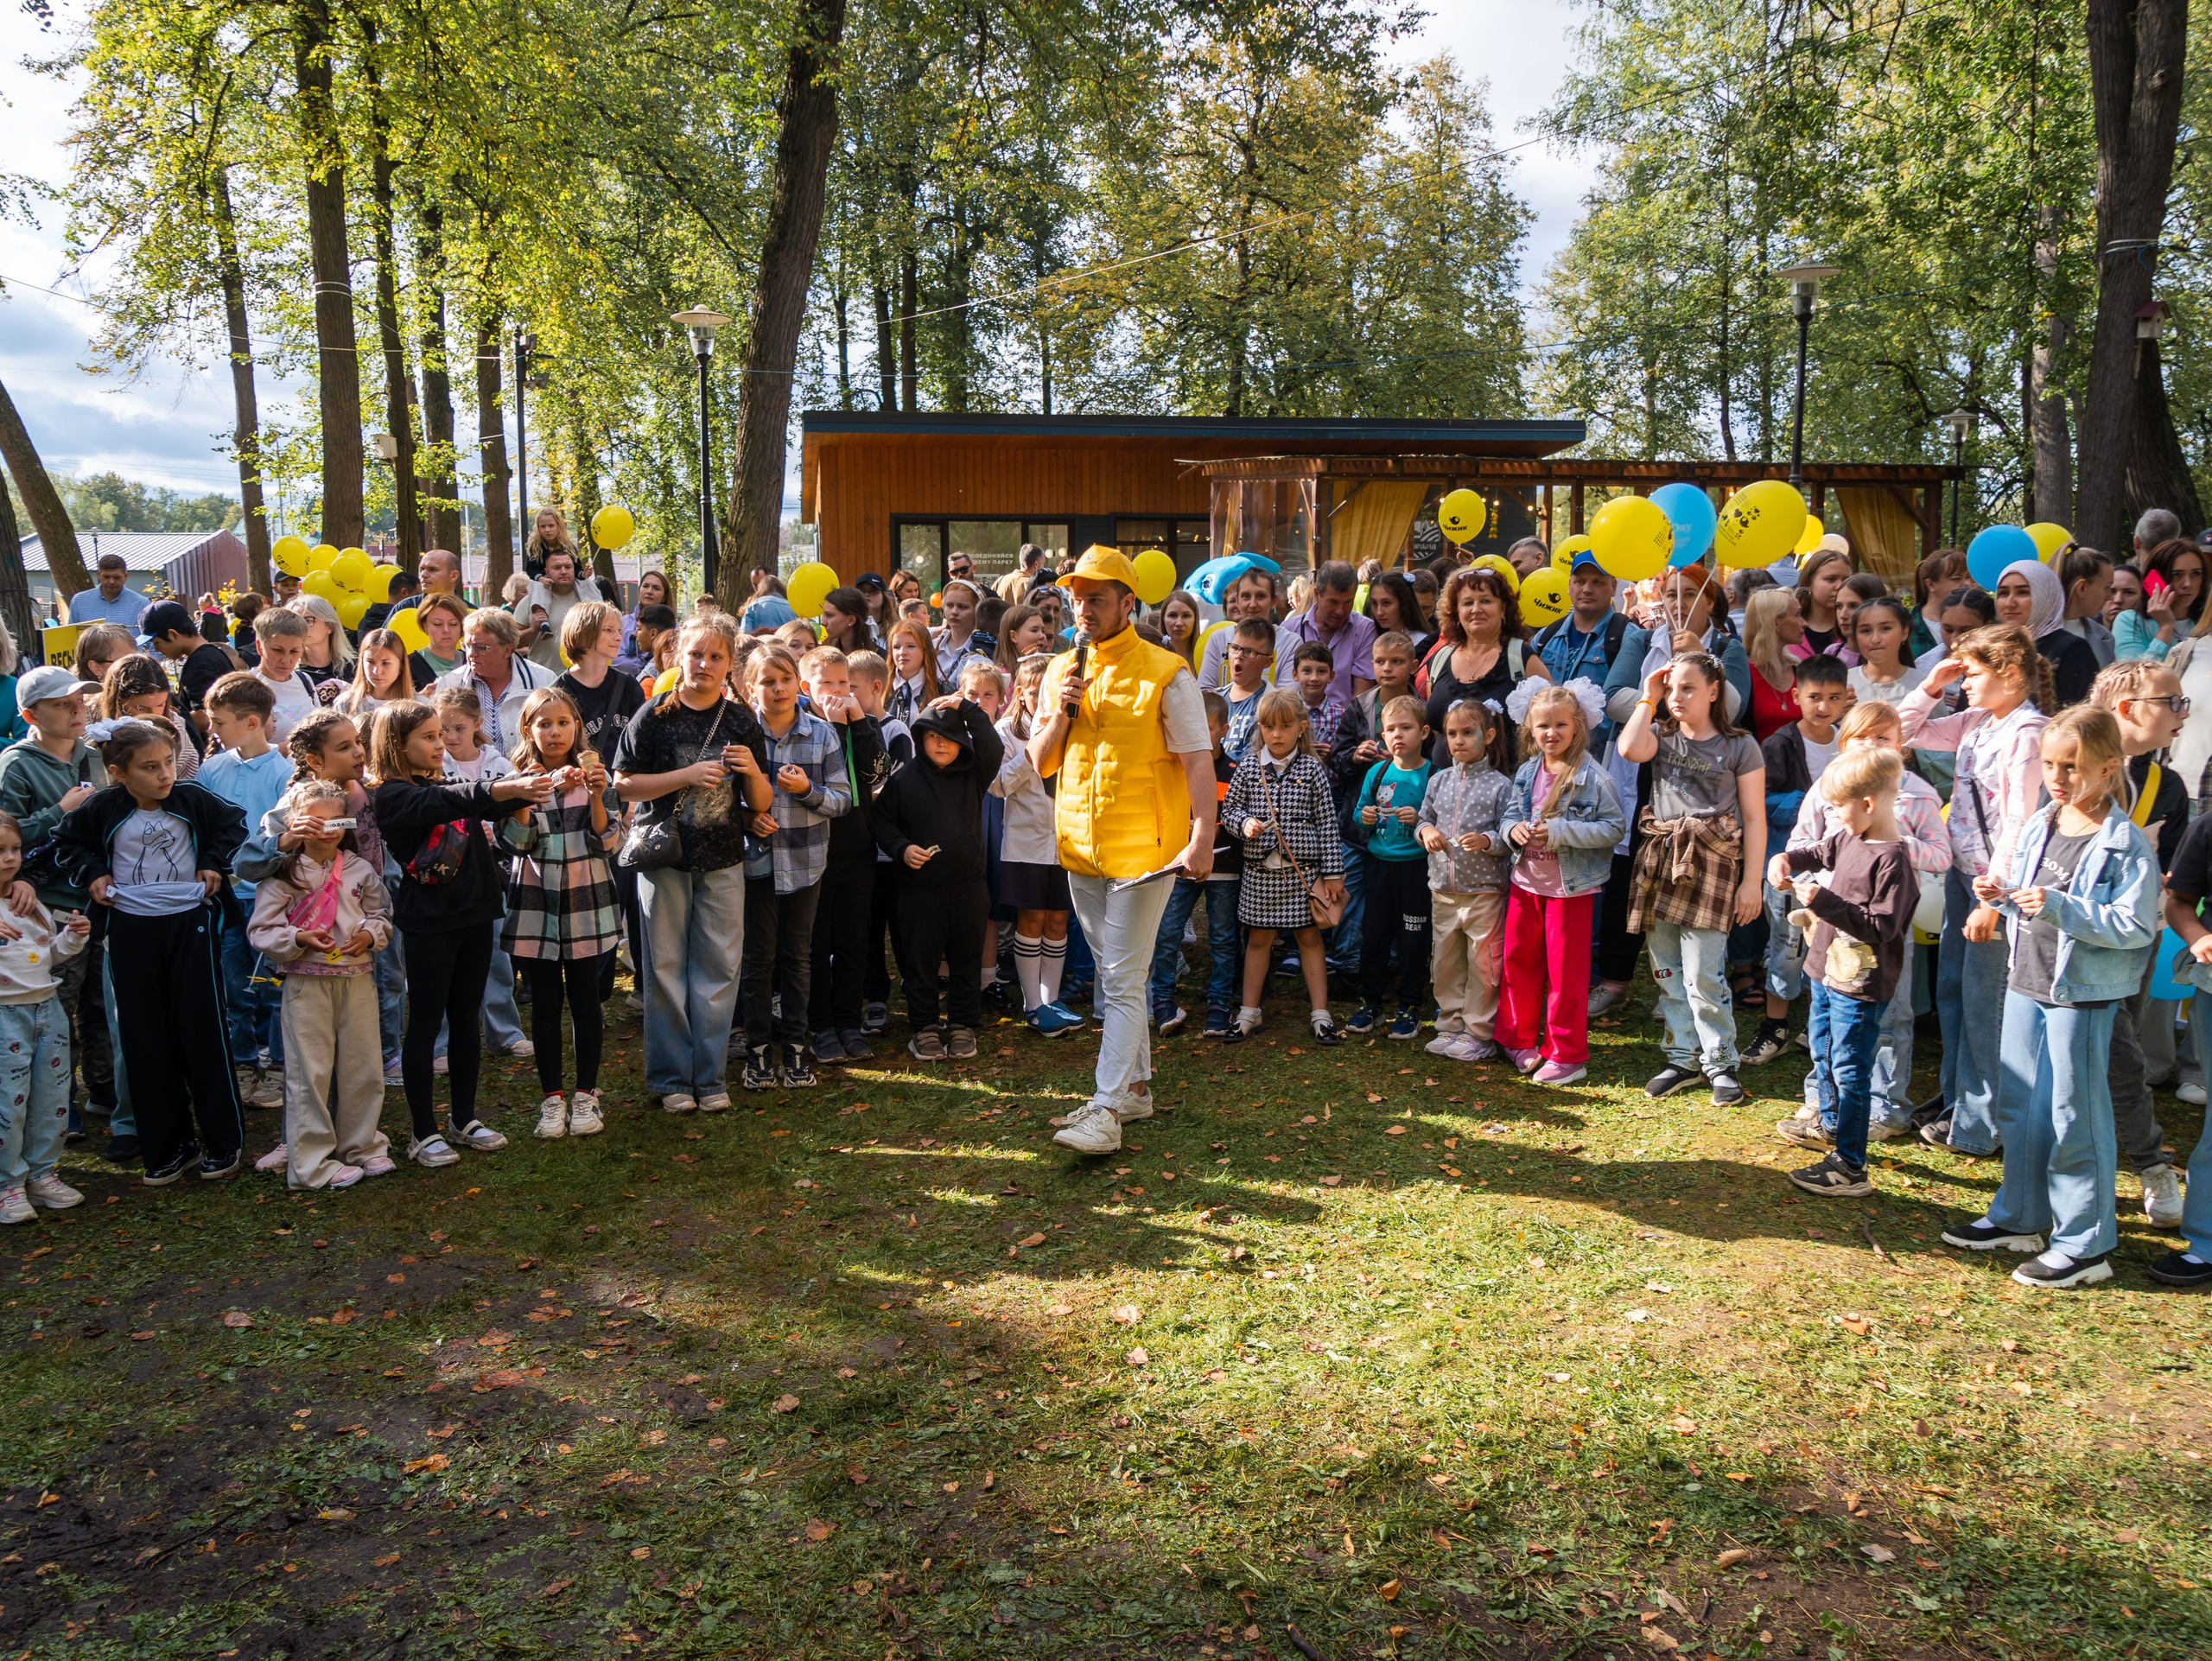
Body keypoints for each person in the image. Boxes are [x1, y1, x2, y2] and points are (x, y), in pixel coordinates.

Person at [1943, 705, 2158, 1289]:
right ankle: (2021, 1216)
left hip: (2079, 998)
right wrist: (2003, 895)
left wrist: (2062, 907)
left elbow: (2135, 927)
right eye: (2050, 765)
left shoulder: (2126, 845)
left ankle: (2086, 1244)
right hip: (2026, 981)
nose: (2059, 778)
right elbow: (2033, 899)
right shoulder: (2043, 822)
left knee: (2073, 1117)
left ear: (2109, 768)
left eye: (2073, 767)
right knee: (2021, 1106)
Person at [1031, 548, 1217, 1155]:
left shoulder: (1167, 671)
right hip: (1082, 846)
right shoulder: (1062, 670)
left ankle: (1106, 1107)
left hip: (1147, 852)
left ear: (1128, 603)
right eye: (1078, 597)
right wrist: (1063, 712)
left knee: (1123, 978)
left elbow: (1197, 761)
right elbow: (1042, 762)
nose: (1084, 608)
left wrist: (1202, 836)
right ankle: (1135, 1089)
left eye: (1098, 597)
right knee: (1117, 975)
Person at [51, 718, 246, 1186]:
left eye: (168, 765)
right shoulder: (100, 807)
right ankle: (167, 1145)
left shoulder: (192, 799)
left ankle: (222, 1142)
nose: (164, 776)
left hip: (190, 923)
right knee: (144, 1038)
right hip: (130, 929)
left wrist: (210, 862)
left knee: (201, 1030)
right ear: (118, 773)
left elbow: (233, 824)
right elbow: (67, 845)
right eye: (150, 768)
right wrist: (94, 871)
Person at [366, 701, 551, 1165]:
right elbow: (456, 800)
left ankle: (464, 1119)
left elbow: (484, 800)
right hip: (430, 923)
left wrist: (538, 787)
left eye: (440, 734)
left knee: (466, 1020)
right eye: (428, 737)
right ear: (397, 744)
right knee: (428, 1024)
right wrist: (506, 786)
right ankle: (423, 1132)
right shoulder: (391, 795)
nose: (440, 743)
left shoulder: (443, 783)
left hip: (476, 913)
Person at [1898, 624, 2056, 1156]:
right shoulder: (1978, 723)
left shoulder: (2029, 731)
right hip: (1963, 878)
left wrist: (1994, 898)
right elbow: (1902, 732)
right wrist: (1932, 684)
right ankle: (1954, 1098)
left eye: (1972, 673)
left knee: (1986, 1002)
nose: (1963, 683)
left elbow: (2020, 818)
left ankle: (1981, 1122)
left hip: (1998, 886)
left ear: (2010, 673)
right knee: (1954, 993)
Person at [613, 619, 774, 1112]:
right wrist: (685, 774)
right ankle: (670, 1080)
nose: (704, 665)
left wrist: (751, 771)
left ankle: (710, 1077)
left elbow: (763, 802)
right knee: (664, 968)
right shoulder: (653, 715)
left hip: (723, 858)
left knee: (719, 968)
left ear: (730, 664)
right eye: (696, 654)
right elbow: (623, 783)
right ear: (677, 655)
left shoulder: (742, 720)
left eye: (716, 657)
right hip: (663, 858)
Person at [1774, 699, 1951, 1142]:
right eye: (1861, 737)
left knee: (1889, 1019)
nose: (1871, 746)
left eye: (1883, 737)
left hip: (1883, 925)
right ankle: (1822, 1103)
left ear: (1902, 746)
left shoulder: (1916, 795)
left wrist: (1891, 845)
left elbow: (1942, 855)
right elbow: (1807, 841)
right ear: (1842, 742)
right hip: (1829, 923)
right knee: (1824, 1016)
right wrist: (1794, 866)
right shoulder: (1827, 787)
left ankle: (1886, 1107)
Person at [1764, 746, 1917, 1198]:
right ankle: (1830, 1125)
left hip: (1860, 984)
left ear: (1868, 803)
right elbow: (1819, 850)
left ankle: (1851, 1165)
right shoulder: (1850, 838)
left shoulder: (1893, 861)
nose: (1833, 816)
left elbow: (1884, 928)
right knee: (1825, 1049)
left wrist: (1823, 902)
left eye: (1838, 807)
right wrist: (1787, 861)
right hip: (1826, 972)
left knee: (1851, 1068)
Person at [1617, 651, 1766, 1104]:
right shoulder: (1660, 735)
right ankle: (1681, 1058)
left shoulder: (1741, 745)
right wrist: (1648, 698)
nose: (1677, 697)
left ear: (1714, 691)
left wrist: (1751, 882)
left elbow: (1755, 820)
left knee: (1703, 973)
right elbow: (1628, 749)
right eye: (1673, 687)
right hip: (1661, 859)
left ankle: (1720, 1063)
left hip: (1712, 866)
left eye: (1689, 688)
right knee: (1666, 969)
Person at [245, 780, 394, 1188]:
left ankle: (363, 1146)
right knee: (309, 1073)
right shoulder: (283, 874)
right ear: (295, 825)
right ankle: (310, 1164)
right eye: (316, 822)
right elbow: (261, 930)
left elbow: (381, 916)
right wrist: (297, 939)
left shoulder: (360, 870)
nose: (328, 830)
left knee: (363, 1067)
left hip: (357, 979)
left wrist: (369, 935)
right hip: (305, 983)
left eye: (338, 820)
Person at [2088, 660, 2191, 1226]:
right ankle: (2151, 1164)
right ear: (2127, 710)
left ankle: (2110, 1158)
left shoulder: (2167, 786)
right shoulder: (2073, 768)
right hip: (2074, 942)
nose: (2183, 713)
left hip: (2137, 941)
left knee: (2115, 1053)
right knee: (2119, 1057)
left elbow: (2173, 867)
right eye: (2171, 702)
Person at [499, 688, 620, 1139]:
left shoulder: (596, 774)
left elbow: (607, 844)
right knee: (546, 1003)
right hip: (536, 904)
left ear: (577, 727)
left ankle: (586, 1095)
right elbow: (514, 844)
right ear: (528, 730)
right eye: (544, 724)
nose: (554, 732)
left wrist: (595, 797)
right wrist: (528, 798)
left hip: (587, 900)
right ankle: (552, 1099)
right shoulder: (518, 780)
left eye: (563, 723)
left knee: (586, 1000)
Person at [0, 665, 109, 1136]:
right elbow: (8, 834)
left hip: (96, 900)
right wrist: (58, 812)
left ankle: (105, 1090)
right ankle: (60, 1104)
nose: (76, 709)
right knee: (56, 1011)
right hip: (44, 905)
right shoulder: (16, 764)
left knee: (101, 1003)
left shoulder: (94, 757)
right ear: (30, 714)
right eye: (62, 704)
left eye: (80, 701)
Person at [738, 646, 850, 1088]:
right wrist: (748, 818)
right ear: (752, 689)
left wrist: (808, 790)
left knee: (798, 958)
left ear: (798, 684)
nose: (779, 688)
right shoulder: (743, 734)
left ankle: (797, 1050)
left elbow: (843, 800)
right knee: (758, 958)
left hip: (806, 863)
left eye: (785, 678)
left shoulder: (822, 735)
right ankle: (758, 1052)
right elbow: (723, 799)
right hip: (757, 864)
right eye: (768, 681)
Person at [872, 690, 1002, 1061]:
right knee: (920, 961)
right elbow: (882, 822)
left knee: (966, 959)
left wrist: (967, 708)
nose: (940, 744)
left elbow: (991, 744)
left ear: (962, 741)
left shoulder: (974, 774)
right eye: (931, 736)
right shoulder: (904, 779)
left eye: (948, 737)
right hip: (918, 892)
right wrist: (901, 848)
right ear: (920, 740)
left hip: (968, 888)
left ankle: (963, 1023)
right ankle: (925, 1027)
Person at [1745, 652, 1852, 1065]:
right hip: (1789, 864)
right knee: (1786, 945)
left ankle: (1815, 1025)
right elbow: (1760, 801)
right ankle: (1775, 1027)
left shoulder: (1848, 742)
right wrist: (1810, 802)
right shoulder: (1778, 744)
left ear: (1845, 699)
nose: (1823, 706)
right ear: (1796, 696)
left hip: (1839, 869)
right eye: (1814, 696)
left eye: (1833, 697)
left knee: (1828, 944)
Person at [1224, 686, 1344, 1047]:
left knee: (1310, 938)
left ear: (1301, 727)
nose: (1276, 735)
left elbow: (1327, 822)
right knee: (1257, 939)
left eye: (1285, 727)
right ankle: (1249, 1011)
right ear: (1260, 727)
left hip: (1302, 873)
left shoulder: (1313, 769)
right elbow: (1228, 810)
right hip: (1260, 873)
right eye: (1269, 727)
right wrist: (1243, 824)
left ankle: (1320, 1014)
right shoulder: (1249, 766)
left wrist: (1334, 873)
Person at [196, 673, 294, 1110]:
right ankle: (240, 1062)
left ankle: (276, 1067)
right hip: (225, 898)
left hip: (268, 896)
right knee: (232, 983)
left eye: (220, 721)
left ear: (252, 721)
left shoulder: (284, 773)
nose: (212, 728)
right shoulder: (212, 768)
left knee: (271, 984)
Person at [798, 646, 888, 1063]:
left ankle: (849, 1024)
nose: (837, 691)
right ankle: (820, 1026)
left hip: (857, 852)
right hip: (815, 852)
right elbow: (823, 777)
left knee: (855, 942)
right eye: (827, 683)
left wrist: (858, 723)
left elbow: (876, 773)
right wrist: (833, 727)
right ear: (807, 688)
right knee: (816, 945)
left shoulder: (862, 724)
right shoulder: (804, 729)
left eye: (844, 683)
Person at [0, 808, 89, 1219]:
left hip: (46, 1010)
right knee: (7, 1103)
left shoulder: (29, 901)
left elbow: (46, 955)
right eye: (0, 850)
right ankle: (7, 1185)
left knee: (51, 1097)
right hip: (6, 1016)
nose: (9, 858)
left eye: (15, 849)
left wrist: (70, 938)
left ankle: (41, 1174)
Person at [1414, 698, 1512, 1062]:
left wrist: (1488, 841)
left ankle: (1479, 1031)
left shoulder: (1501, 785)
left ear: (1487, 736)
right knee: (1445, 962)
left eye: (1467, 733)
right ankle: (1450, 1025)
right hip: (1442, 890)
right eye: (1452, 734)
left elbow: (1510, 835)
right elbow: (1423, 820)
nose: (1458, 741)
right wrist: (1426, 834)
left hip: (1484, 892)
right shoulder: (1439, 780)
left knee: (1484, 964)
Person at [992, 654, 1083, 1038]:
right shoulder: (1005, 732)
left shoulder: (1075, 726)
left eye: (1048, 692)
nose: (1040, 699)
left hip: (1066, 839)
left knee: (1059, 919)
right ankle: (1032, 1003)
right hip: (1026, 841)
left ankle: (1052, 998)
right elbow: (998, 786)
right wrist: (1034, 751)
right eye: (1034, 693)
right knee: (1031, 919)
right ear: (1021, 694)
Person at [1147, 688, 1243, 1041]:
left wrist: (1211, 829)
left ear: (1224, 729)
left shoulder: (1235, 771)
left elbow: (1239, 818)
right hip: (1180, 867)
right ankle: (1163, 1004)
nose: (1199, 732)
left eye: (1208, 726)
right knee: (1167, 933)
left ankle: (1219, 1006)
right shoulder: (1174, 767)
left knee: (1222, 937)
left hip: (1225, 869)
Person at [1342, 695, 1434, 1040]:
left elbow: (1441, 823)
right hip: (1378, 867)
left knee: (1413, 939)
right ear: (1382, 735)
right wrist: (1363, 817)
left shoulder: (1434, 775)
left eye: (1406, 728)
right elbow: (1359, 814)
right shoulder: (1376, 772)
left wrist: (1421, 820)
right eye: (1391, 729)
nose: (1398, 735)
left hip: (1416, 870)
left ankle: (1410, 1005)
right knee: (1374, 936)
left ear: (1423, 732)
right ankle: (1371, 1003)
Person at [1420, 565, 1550, 767]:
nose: (1476, 609)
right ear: (1456, 612)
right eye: (1467, 603)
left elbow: (1549, 726)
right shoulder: (1439, 660)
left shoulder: (1523, 661)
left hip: (1507, 790)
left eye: (1486, 601)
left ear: (1503, 609)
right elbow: (1437, 729)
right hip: (1444, 790)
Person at [442, 608, 557, 754]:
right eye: (468, 646)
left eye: (481, 647)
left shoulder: (543, 680)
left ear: (507, 650)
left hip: (530, 772)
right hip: (470, 775)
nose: (471, 654)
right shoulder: (451, 684)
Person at [1993, 558, 2095, 709]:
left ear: (2045, 596)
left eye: (2022, 592)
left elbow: (2079, 718)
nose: (2010, 603)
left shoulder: (2072, 650)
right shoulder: (1991, 646)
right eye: (2003, 593)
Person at [1275, 561, 1376, 703]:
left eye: (1348, 602)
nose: (1340, 611)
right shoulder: (1290, 630)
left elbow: (1362, 695)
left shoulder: (1364, 630)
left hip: (1347, 722)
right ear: (1317, 594)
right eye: (1333, 602)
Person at [1531, 553, 1626, 696]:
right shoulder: (1544, 637)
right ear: (1570, 586)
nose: (1587, 589)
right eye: (1580, 581)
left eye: (1597, 582)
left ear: (1613, 587)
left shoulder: (1627, 637)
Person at [140, 600, 237, 738]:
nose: (156, 649)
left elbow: (205, 717)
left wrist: (166, 734)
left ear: (173, 634)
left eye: (156, 642)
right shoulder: (209, 654)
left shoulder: (201, 664)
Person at [102, 655, 200, 780]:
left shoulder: (174, 723)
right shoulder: (94, 724)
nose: (153, 714)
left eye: (160, 705)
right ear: (118, 702)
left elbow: (188, 776)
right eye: (141, 708)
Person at [515, 548, 608, 670]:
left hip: (583, 678)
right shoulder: (531, 602)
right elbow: (513, 642)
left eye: (568, 567)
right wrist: (533, 629)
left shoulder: (589, 601)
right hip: (543, 680)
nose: (564, 571)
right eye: (557, 568)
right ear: (546, 572)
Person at [2119, 537, 2207, 663]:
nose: (2187, 584)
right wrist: (2165, 627)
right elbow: (2135, 679)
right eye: (2176, 574)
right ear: (2155, 578)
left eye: (2196, 573)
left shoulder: (2206, 624)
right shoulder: (2129, 621)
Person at [1198, 566, 1279, 691]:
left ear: (1273, 602)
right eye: (1246, 596)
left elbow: (1287, 697)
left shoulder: (1291, 641)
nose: (1252, 604)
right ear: (1238, 602)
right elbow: (1205, 693)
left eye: (1260, 596)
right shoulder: (1218, 638)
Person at [1740, 589, 1805, 743]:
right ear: (1775, 622)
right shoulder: (1743, 673)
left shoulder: (1800, 670)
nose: (1804, 622)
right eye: (1797, 615)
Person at [1847, 596, 1928, 710]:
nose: (1875, 639)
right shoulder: (1844, 682)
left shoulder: (1923, 686)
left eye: (1885, 628)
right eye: (1866, 631)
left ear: (1904, 632)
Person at [2055, 545, 2116, 668]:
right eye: (2107, 587)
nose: (2110, 597)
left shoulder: (2105, 638)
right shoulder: (2036, 636)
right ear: (2082, 588)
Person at [335, 628, 416, 718]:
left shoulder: (418, 706)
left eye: (385, 663)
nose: (376, 671)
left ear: (401, 667)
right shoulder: (346, 704)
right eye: (370, 662)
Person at [1908, 549, 1971, 660]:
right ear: (1931, 584)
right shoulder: (1907, 624)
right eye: (1956, 579)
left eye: (1967, 577)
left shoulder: (1978, 620)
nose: (1966, 584)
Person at [290, 595, 354, 700]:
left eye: (308, 621)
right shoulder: (289, 673)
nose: (300, 628)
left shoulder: (355, 668)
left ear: (329, 626)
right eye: (295, 622)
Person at [1794, 542, 1853, 656]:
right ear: (1810, 582)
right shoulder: (1789, 627)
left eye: (1846, 580)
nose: (1839, 586)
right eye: (1831, 579)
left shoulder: (1854, 629)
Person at [1362, 573, 1432, 663]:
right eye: (1374, 603)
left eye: (1386, 603)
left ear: (1404, 603)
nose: (1379, 612)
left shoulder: (1420, 643)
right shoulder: (1370, 637)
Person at [407, 592, 470, 689]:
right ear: (425, 626)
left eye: (453, 624)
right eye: (438, 624)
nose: (446, 630)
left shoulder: (472, 662)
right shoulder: (408, 665)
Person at [65, 554, 145, 628]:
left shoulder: (142, 604)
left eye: (117, 577)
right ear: (99, 575)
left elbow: (150, 640)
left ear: (125, 576)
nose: (111, 582)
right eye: (106, 577)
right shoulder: (79, 601)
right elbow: (71, 636)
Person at [933, 579, 988, 684]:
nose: (954, 612)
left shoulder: (985, 651)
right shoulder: (931, 647)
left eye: (962, 607)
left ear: (977, 611)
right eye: (949, 605)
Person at [619, 569, 674, 660]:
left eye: (656, 588)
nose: (649, 591)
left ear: (664, 596)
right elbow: (615, 660)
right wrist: (645, 666)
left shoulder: (675, 629)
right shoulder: (622, 623)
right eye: (645, 586)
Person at [818, 586, 879, 658]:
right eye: (823, 615)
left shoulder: (879, 657)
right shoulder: (827, 658)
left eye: (829, 615)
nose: (823, 622)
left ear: (851, 620)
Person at [741, 567, 798, 634]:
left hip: (760, 643)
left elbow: (744, 634)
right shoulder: (792, 607)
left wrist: (756, 633)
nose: (757, 588)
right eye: (755, 585)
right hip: (784, 643)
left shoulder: (753, 605)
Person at [1158, 590, 1202, 667]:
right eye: (1172, 615)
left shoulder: (1206, 654)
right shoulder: (1152, 654)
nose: (1179, 623)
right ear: (1163, 618)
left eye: (1186, 616)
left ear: (1195, 618)